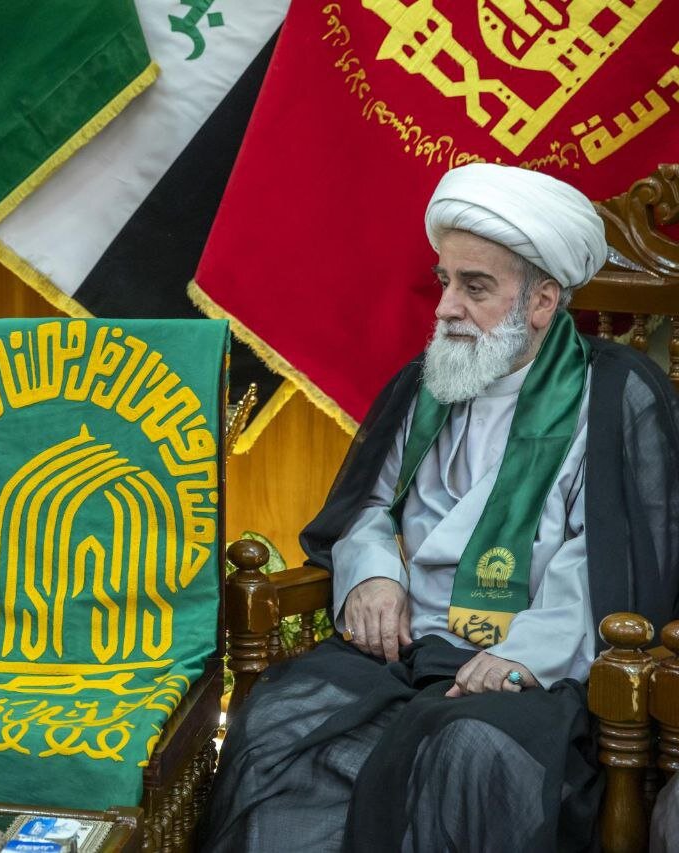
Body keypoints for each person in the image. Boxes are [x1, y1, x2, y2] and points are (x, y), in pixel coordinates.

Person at [202, 163, 679, 852]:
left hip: (538, 673)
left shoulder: (613, 397)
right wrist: (372, 574)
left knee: (469, 751)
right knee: (278, 721)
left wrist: (523, 657)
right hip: (405, 650)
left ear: (542, 301)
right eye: (445, 281)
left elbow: (616, 562)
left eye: (474, 287)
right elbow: (368, 506)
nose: (446, 307)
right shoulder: (431, 379)